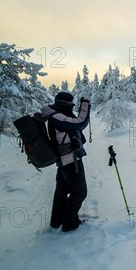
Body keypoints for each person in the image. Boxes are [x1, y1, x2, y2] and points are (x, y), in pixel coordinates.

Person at [41, 91, 91, 232]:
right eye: (71, 103)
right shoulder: (57, 117)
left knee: (61, 192)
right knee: (80, 191)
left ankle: (56, 221)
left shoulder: (57, 115)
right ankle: (69, 223)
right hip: (70, 159)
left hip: (64, 160)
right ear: (64, 104)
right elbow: (80, 123)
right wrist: (85, 105)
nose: (72, 105)